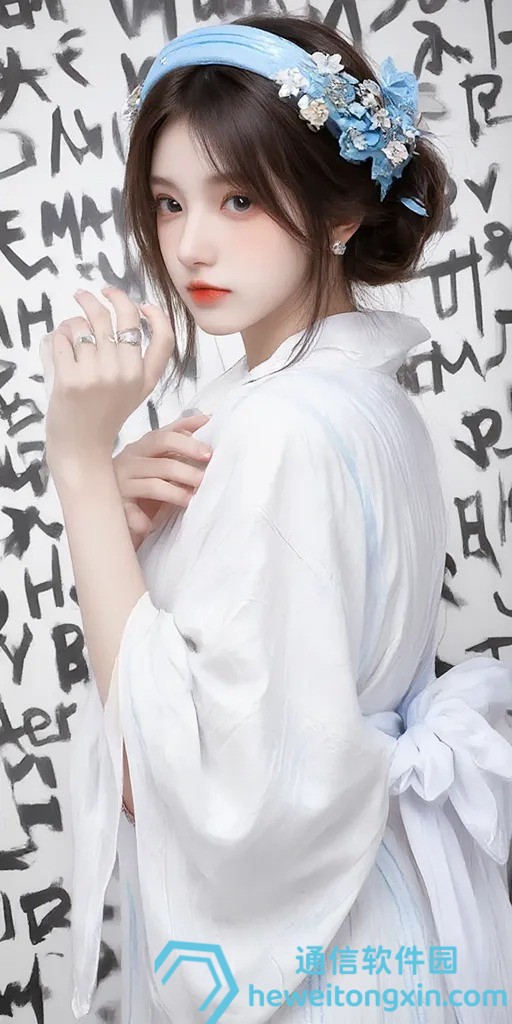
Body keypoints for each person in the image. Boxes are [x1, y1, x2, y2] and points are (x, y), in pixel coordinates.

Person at [43, 13, 512, 1024]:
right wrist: (122, 518)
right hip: (376, 922)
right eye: (169, 202)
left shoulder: (280, 430)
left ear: (339, 215)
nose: (189, 244)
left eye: (239, 198)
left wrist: (77, 465)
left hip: (319, 970)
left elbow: (179, 790)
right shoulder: (367, 401)